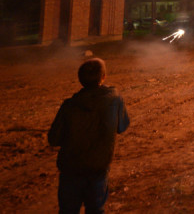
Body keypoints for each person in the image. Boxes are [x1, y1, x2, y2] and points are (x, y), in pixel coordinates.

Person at [48, 58, 131, 214]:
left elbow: (53, 139)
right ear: (103, 77)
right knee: (96, 210)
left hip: (71, 169)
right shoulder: (114, 99)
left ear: (80, 80)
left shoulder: (69, 105)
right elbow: (122, 126)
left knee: (67, 210)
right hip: (98, 168)